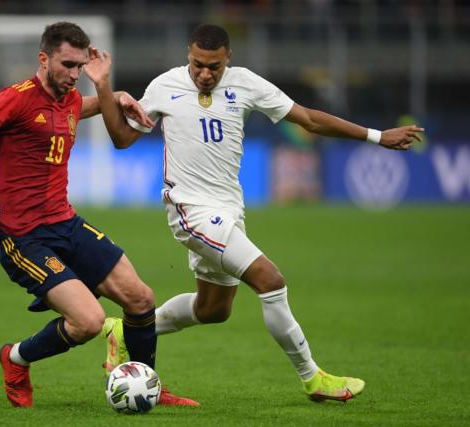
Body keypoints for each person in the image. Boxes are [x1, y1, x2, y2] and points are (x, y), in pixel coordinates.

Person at [89, 24, 424, 402]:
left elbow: (309, 119)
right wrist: (103, 87)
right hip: (189, 210)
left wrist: (377, 136)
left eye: (214, 67)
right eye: (198, 64)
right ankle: (313, 378)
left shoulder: (245, 84)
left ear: (227, 59)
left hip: (228, 209)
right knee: (270, 280)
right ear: (188, 54)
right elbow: (121, 138)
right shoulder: (164, 86)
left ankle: (124, 329)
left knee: (213, 309)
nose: (204, 74)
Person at [0, 22, 197, 408]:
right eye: (68, 64)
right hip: (23, 236)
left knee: (140, 297)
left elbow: (81, 106)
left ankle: (150, 384)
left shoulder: (67, 97)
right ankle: (15, 358)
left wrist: (116, 95)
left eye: (81, 66)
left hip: (66, 222)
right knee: (89, 322)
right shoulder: (15, 99)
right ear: (44, 59)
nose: (75, 74)